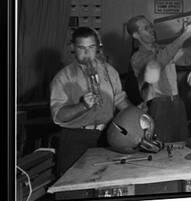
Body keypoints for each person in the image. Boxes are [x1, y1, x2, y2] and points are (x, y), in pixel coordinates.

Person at [50, 27, 132, 176]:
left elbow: (120, 101)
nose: (87, 53)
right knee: (73, 185)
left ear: (98, 48)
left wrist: (136, 113)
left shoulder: (110, 71)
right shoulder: (62, 77)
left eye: (91, 47)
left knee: (106, 180)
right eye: (82, 48)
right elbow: (58, 117)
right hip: (75, 138)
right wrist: (83, 106)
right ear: (73, 47)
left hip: (106, 135)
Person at [127, 15, 191, 143]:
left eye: (151, 26)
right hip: (158, 106)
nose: (152, 29)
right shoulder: (137, 57)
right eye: (146, 28)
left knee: (182, 147)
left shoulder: (163, 50)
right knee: (162, 150)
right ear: (136, 35)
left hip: (177, 103)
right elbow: (159, 63)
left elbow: (190, 57)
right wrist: (183, 36)